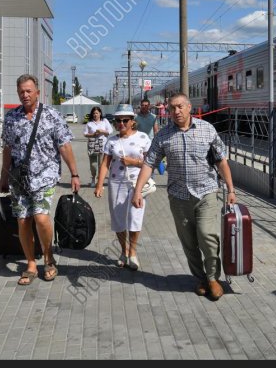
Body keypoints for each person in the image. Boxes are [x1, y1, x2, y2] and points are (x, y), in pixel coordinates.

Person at [132, 92, 236, 301]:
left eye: (180, 107)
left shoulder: (207, 130)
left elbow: (221, 161)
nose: (176, 111)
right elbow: (149, 163)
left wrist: (231, 190)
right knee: (188, 241)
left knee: (207, 236)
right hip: (179, 197)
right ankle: (200, 278)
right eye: (172, 108)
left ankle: (213, 278)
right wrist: (137, 190)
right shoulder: (163, 135)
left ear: (189, 107)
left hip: (206, 193)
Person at [0, 74, 81, 286]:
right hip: (19, 178)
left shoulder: (52, 115)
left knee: (41, 218)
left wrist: (74, 174)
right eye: (21, 92)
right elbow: (8, 148)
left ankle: (48, 256)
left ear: (37, 92)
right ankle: (31, 263)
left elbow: (64, 145)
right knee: (23, 221)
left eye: (28, 91)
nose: (25, 95)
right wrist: (3, 177)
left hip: (45, 175)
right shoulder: (11, 117)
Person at [95, 105, 151, 271]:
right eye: (118, 120)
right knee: (118, 219)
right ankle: (123, 251)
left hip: (137, 184)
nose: (121, 123)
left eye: (125, 120)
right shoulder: (111, 140)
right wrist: (99, 184)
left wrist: (134, 162)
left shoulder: (143, 138)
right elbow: (105, 163)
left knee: (135, 217)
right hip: (116, 183)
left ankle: (133, 252)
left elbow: (151, 163)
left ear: (132, 121)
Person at [83, 106, 112, 186]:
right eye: (94, 113)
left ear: (100, 113)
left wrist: (102, 131)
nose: (95, 115)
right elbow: (85, 134)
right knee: (93, 164)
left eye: (97, 113)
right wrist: (93, 134)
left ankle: (100, 181)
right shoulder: (89, 123)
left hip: (103, 144)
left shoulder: (105, 121)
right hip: (92, 144)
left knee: (101, 164)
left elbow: (110, 131)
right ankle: (93, 177)